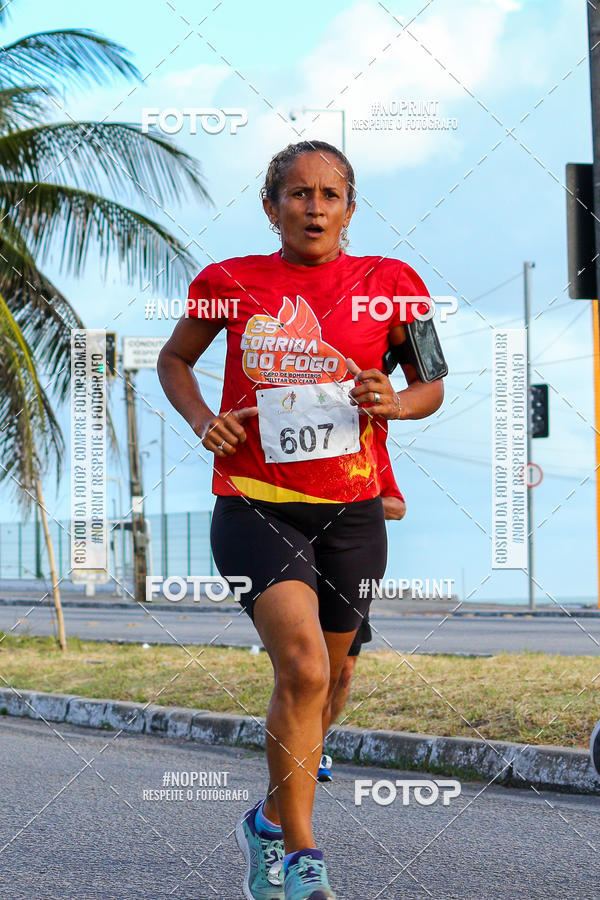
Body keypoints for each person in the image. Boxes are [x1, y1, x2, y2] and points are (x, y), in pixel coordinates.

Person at [157, 140, 444, 900]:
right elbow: (174, 360)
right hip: (253, 502)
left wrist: (394, 400)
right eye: (298, 194)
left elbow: (431, 387)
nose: (313, 207)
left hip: (352, 508)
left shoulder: (393, 287)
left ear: (350, 208)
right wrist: (201, 422)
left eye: (329, 195)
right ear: (271, 206)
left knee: (338, 675)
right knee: (305, 668)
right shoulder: (229, 283)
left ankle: (269, 823)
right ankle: (304, 861)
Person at [318, 443, 406, 783]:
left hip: (348, 568)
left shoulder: (365, 445)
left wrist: (347, 509)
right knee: (308, 667)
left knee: (344, 671)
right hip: (299, 564)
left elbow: (397, 507)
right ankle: (300, 748)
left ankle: (316, 744)